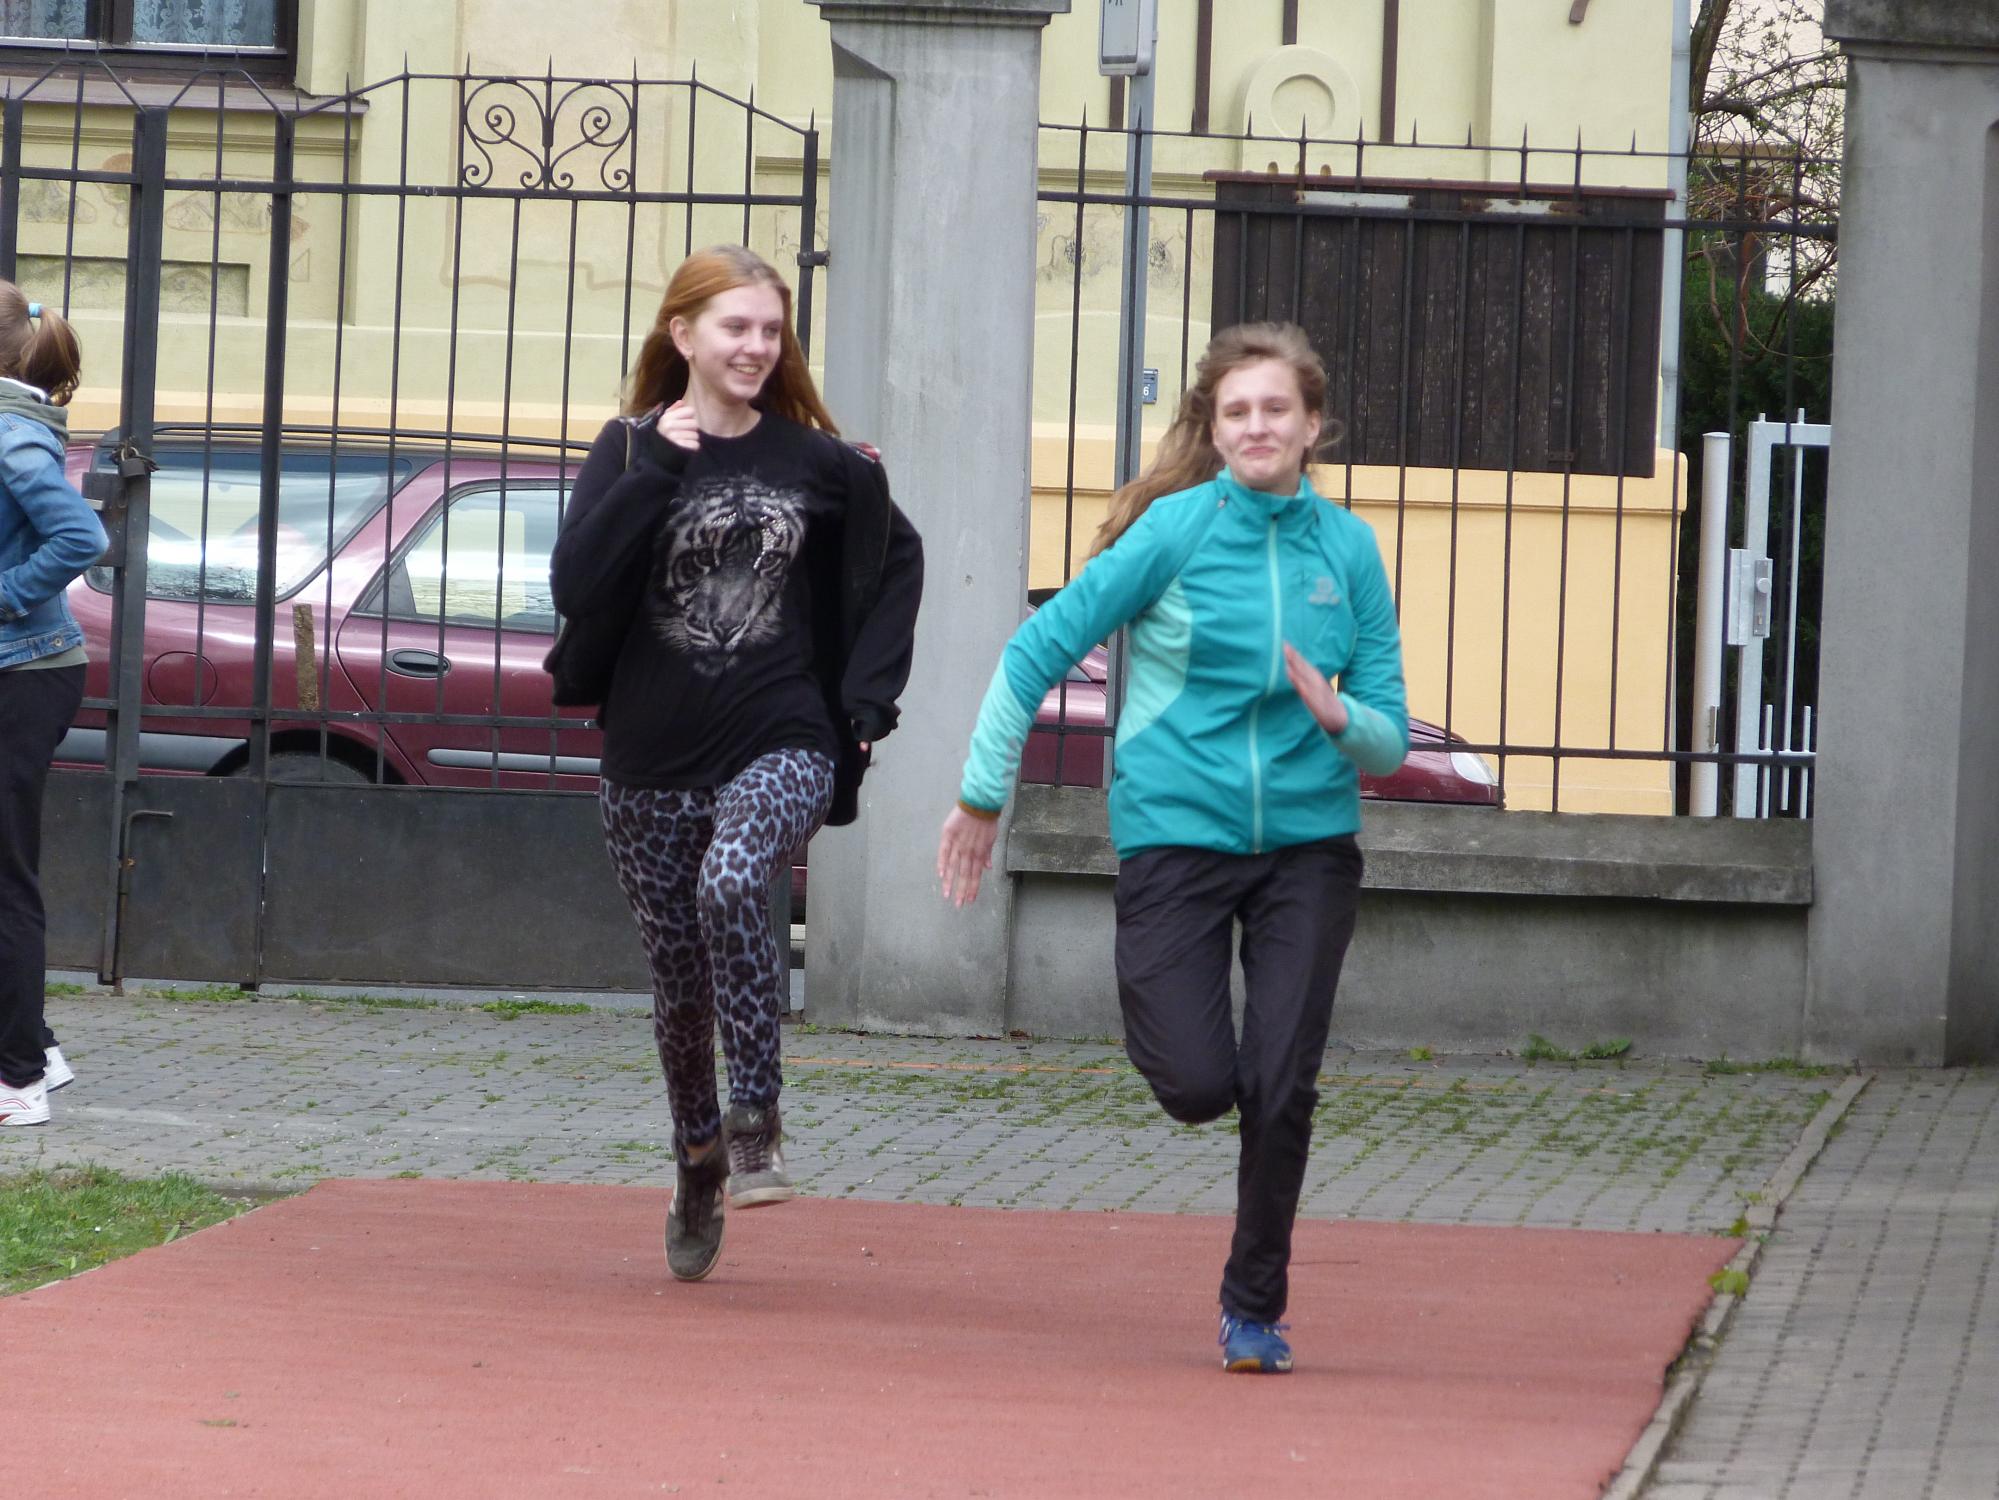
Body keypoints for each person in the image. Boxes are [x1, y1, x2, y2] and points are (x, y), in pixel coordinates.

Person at [937, 323, 1408, 1374]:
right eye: (1237, 411)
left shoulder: (1349, 552)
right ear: (1214, 427)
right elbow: (1033, 651)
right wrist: (980, 796)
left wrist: (1342, 719)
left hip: (1309, 846)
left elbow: (1388, 733)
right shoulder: (1173, 532)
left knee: (1281, 1082)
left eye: (1276, 409)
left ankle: (1254, 1309)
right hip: (1175, 837)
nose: (1257, 426)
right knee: (1198, 1084)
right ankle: (1213, 1088)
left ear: (1312, 425)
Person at [550, 246, 922, 1282]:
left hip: (783, 736)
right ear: (684, 335)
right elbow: (576, 584)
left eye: (770, 329)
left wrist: (866, 703)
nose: (757, 346)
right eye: (735, 327)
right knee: (679, 991)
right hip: (649, 762)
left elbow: (897, 559)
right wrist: (658, 470)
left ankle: (755, 1118)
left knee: (735, 877)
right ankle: (697, 1158)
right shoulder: (630, 448)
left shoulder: (821, 464)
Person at [0, 284, 102, 1128]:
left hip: (24, 674)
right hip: (25, 670)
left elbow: (81, 536)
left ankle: (19, 1082)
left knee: (6, 880)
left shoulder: (8, 434)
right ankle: (38, 1047)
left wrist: (4, 596)